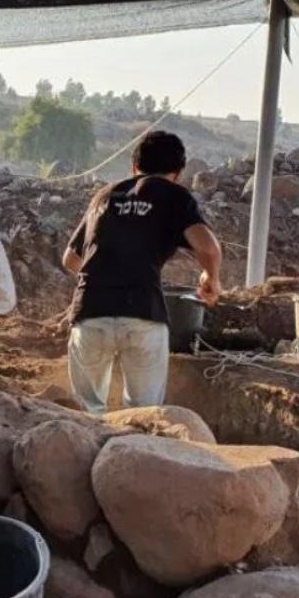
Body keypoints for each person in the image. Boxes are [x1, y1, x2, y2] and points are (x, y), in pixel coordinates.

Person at [61, 130, 223, 414]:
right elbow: (208, 248)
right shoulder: (175, 195)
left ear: (134, 166)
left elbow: (71, 258)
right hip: (143, 314)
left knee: (87, 413)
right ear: (178, 172)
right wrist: (211, 278)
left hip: (90, 312)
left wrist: (105, 277)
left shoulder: (104, 195)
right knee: (144, 414)